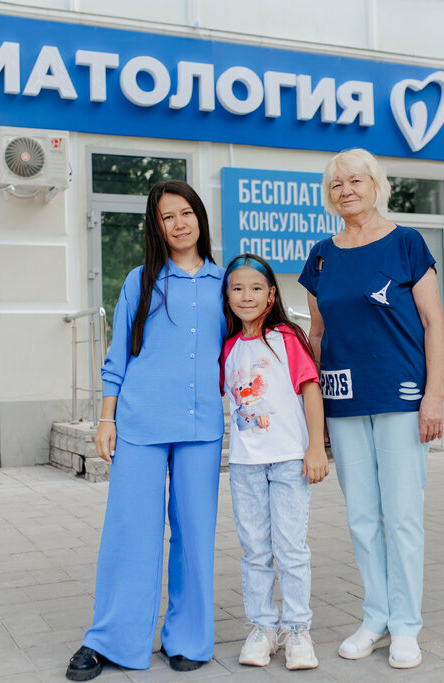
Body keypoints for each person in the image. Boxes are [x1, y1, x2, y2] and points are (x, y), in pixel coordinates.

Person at [66, 180, 226, 681]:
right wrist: (106, 418)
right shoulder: (140, 281)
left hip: (202, 426)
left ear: (199, 217)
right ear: (155, 227)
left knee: (194, 535)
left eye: (185, 213)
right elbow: (119, 355)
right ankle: (110, 639)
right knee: (130, 531)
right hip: (139, 423)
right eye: (166, 217)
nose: (178, 224)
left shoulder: (227, 282)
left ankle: (189, 637)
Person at [298, 148, 444, 670]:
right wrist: (314, 414)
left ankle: (406, 625)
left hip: (400, 398)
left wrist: (433, 396)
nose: (345, 190)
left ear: (375, 184)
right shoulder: (321, 257)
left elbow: (434, 324)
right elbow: (317, 336)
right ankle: (376, 617)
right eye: (336, 184)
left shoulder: (407, 243)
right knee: (362, 517)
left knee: (402, 516)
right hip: (343, 401)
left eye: (354, 181)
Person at [220, 253, 328, 671]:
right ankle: (263, 627)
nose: (246, 296)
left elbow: (310, 389)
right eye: (237, 288)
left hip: (288, 462)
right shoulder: (229, 348)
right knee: (254, 551)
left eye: (255, 288)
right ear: (227, 296)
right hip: (245, 465)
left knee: (291, 548)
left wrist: (315, 447)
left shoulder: (287, 337)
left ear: (271, 295)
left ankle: (297, 628)